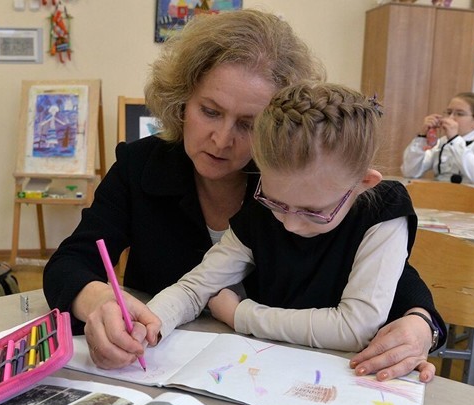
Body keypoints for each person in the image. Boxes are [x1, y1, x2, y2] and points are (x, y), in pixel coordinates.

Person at [43, 9, 445, 382]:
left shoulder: (295, 177)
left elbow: (377, 267)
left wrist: (420, 318)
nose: (220, 139)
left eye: (249, 125)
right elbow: (71, 262)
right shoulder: (142, 167)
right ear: (184, 99)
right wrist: (101, 304)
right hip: (182, 374)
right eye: (211, 111)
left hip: (284, 378)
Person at [147, 81, 417, 353]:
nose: (290, 223)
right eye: (276, 203)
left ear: (363, 183)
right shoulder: (260, 209)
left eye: (314, 211)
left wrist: (241, 315)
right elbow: (195, 289)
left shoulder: (384, 209)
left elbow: (355, 328)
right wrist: (150, 323)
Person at [401, 92, 474, 184]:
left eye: (459, 114)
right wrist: (422, 137)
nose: (450, 118)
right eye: (449, 112)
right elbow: (410, 172)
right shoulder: (443, 142)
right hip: (441, 197)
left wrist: (454, 139)